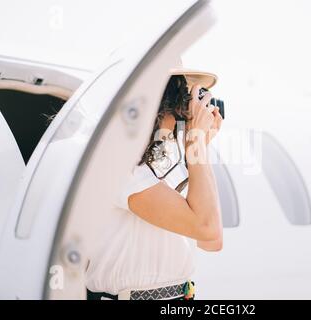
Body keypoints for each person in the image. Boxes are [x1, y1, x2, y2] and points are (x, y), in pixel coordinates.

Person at [85, 65, 223, 300]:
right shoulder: (119, 163)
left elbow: (212, 241)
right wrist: (196, 144)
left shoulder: (165, 159)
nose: (186, 111)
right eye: (183, 98)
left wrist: (200, 147)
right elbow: (207, 228)